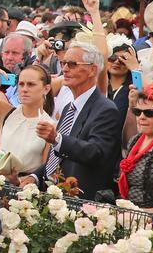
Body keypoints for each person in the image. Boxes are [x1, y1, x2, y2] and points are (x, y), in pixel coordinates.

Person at [22, 42, 121, 201]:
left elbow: (96, 152)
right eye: (63, 63)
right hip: (56, 200)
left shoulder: (106, 110)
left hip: (83, 204)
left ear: (92, 70)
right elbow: (59, 158)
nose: (65, 69)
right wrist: (34, 176)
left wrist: (56, 139)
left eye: (72, 64)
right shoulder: (69, 107)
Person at [0, 62, 55, 176]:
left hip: (27, 187)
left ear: (46, 89)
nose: (24, 89)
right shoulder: (7, 112)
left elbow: (46, 169)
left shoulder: (50, 125)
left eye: (31, 84)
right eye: (21, 84)